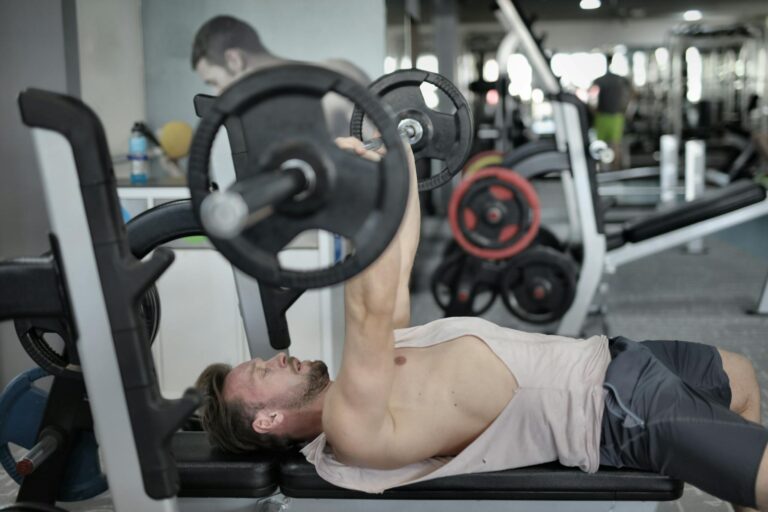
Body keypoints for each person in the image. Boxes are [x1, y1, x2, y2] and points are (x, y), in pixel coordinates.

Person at [191, 17, 768, 512]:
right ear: (266, 421)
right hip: (616, 411)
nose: (279, 357)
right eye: (265, 371)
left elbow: (397, 264)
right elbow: (365, 307)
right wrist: (350, 190)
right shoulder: (350, 425)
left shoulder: (379, 369)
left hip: (612, 360)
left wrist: (397, 161)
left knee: (739, 377)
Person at [592, 54, 633, 170]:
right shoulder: (618, 79)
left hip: (606, 115)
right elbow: (633, 93)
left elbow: (591, 95)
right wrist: (626, 107)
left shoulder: (605, 80)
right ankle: (614, 169)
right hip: (612, 115)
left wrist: (592, 109)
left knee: (604, 145)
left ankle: (603, 169)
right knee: (614, 145)